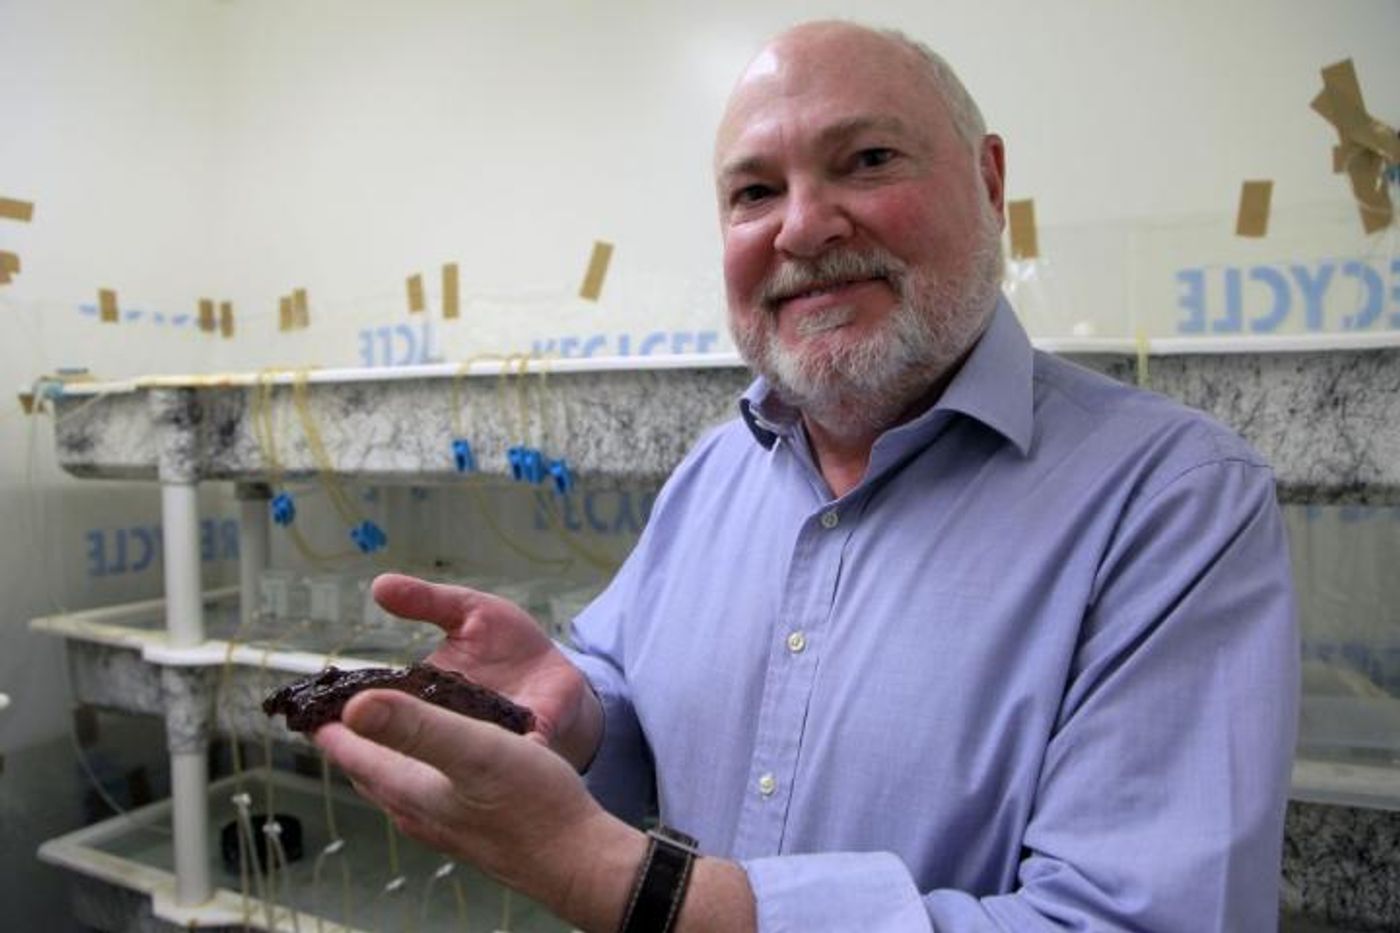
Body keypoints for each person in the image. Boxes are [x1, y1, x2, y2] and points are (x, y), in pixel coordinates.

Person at [316, 19, 1298, 932]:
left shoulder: (1174, 501)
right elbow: (637, 710)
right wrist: (575, 715)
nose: (800, 228)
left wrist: (631, 885)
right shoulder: (716, 471)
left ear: (990, 183)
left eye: (865, 161)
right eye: (752, 193)